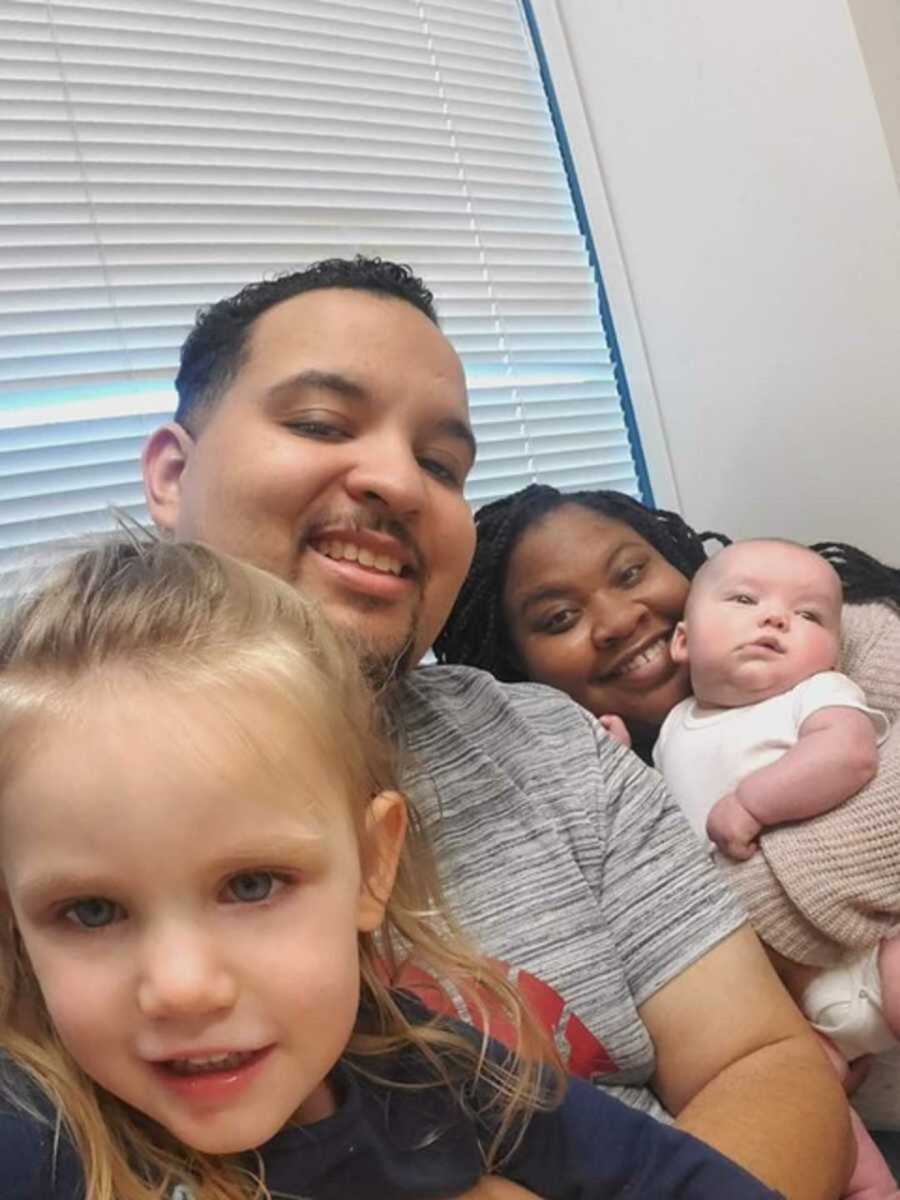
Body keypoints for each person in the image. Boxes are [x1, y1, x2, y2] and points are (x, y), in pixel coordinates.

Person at [140, 256, 852, 1200]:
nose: (398, 480)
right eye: (320, 423)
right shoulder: (48, 797)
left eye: (441, 465)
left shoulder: (549, 748)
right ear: (172, 474)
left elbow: (766, 1063)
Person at [0, 534, 792, 1200]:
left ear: (374, 865)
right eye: (91, 911)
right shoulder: (38, 1137)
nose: (180, 987)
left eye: (251, 884)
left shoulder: (439, 1070)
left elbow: (675, 1176)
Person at [435, 481, 900, 1127]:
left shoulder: (836, 641)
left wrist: (745, 914)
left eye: (632, 572)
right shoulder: (596, 785)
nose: (621, 619)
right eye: (559, 619)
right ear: (516, 668)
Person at [651, 538, 900, 1200]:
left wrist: (753, 803)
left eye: (811, 616)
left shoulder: (819, 692)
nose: (776, 619)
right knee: (805, 1099)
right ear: (682, 641)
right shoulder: (673, 728)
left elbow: (849, 757)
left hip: (864, 945)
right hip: (785, 1003)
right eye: (742, 599)